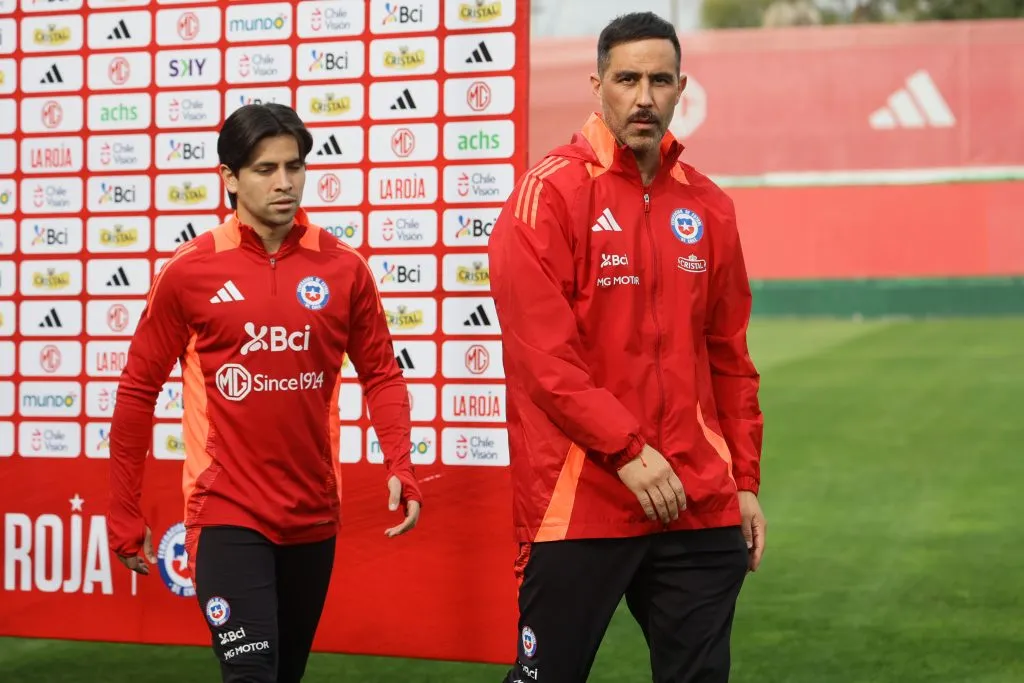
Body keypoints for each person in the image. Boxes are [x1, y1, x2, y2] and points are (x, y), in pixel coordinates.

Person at [488, 11, 766, 683]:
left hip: (696, 499)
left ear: (681, 89)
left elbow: (729, 357)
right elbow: (543, 360)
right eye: (628, 79)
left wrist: (745, 482)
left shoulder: (709, 206)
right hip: (584, 499)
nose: (644, 96)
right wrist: (628, 449)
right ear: (597, 85)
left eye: (660, 80)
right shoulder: (546, 196)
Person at [106, 103, 423, 683]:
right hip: (226, 511)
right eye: (264, 169)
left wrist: (400, 459)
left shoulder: (343, 267)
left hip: (313, 515)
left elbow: (381, 372)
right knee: (250, 676)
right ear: (228, 178)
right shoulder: (190, 271)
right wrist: (123, 509)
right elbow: (136, 391)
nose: (284, 182)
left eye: (294, 166)